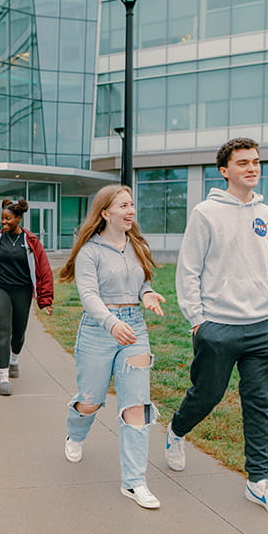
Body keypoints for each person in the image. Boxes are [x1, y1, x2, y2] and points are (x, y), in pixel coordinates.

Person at [167, 137, 268, 520]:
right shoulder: (206, 213)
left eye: (256, 162)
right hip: (218, 327)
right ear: (225, 170)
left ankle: (258, 482)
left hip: (264, 329)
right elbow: (188, 271)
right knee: (207, 394)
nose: (252, 168)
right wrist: (198, 320)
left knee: (261, 405)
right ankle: (176, 431)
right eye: (243, 163)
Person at [59, 184, 167, 509]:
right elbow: (89, 295)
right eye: (123, 205)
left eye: (132, 204)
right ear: (105, 213)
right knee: (91, 400)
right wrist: (111, 323)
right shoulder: (90, 251)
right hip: (98, 329)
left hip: (133, 328)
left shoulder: (138, 245)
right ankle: (75, 434)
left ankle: (134, 482)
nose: (130, 210)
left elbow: (143, 281)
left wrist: (146, 295)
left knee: (136, 405)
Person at [0, 199, 53, 396]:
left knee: (18, 334)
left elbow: (44, 271)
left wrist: (45, 300)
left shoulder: (31, 241)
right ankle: (3, 377)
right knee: (3, 332)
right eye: (2, 219)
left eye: (8, 219)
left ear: (18, 218)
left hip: (22, 290)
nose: (4, 222)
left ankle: (14, 360)